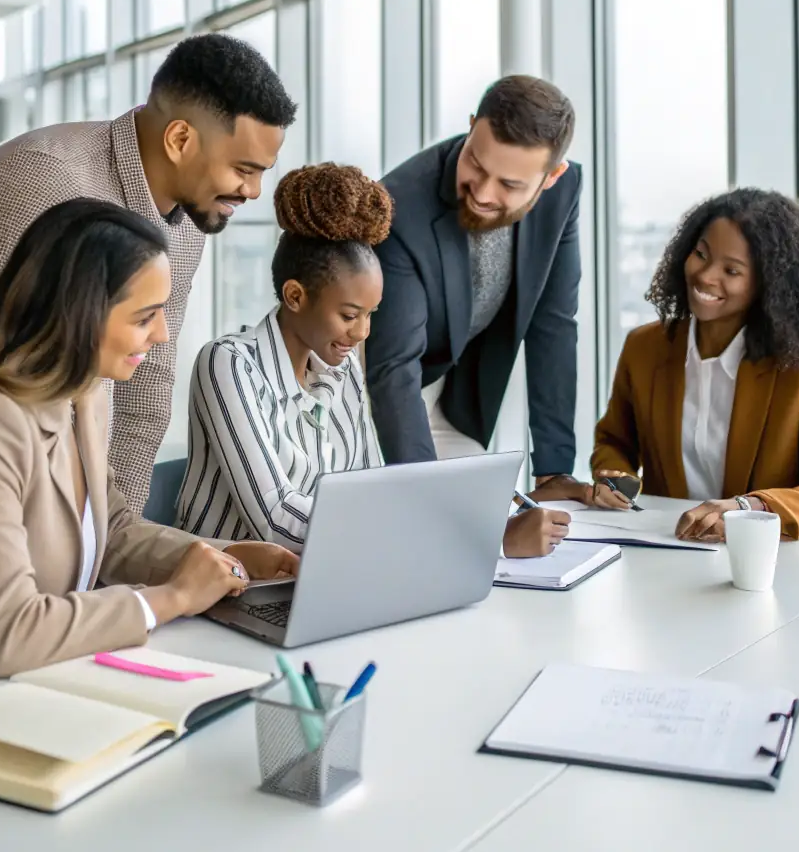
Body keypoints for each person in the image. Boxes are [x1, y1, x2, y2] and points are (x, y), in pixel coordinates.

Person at [0, 199, 297, 713]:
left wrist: (219, 556)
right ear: (82, 316)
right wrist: (173, 599)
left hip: (22, 697)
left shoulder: (85, 396)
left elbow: (112, 529)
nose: (163, 333)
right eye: (145, 315)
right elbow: (9, 634)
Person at [0, 33, 297, 513]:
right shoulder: (43, 179)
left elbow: (147, 385)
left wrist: (115, 539)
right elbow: (8, 378)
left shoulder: (189, 217)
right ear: (180, 139)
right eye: (244, 168)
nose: (254, 190)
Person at [176, 163, 568, 558]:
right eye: (349, 315)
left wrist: (476, 518)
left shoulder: (342, 369)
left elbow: (371, 494)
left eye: (371, 314)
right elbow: (278, 521)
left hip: (321, 579)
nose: (363, 333)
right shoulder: (228, 364)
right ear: (295, 296)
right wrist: (482, 540)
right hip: (229, 593)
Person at [581, 188, 799, 541]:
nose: (705, 276)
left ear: (768, 284)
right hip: (665, 552)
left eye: (731, 270)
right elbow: (615, 441)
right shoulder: (645, 348)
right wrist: (614, 478)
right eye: (701, 254)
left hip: (769, 566)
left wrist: (748, 509)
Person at [365, 75, 586, 498]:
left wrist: (555, 470)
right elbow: (393, 369)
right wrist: (422, 494)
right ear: (471, 127)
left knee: (491, 507)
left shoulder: (565, 192)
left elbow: (554, 322)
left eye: (509, 185)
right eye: (477, 165)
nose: (483, 193)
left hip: (448, 392)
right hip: (371, 397)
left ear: (552, 176)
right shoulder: (399, 207)